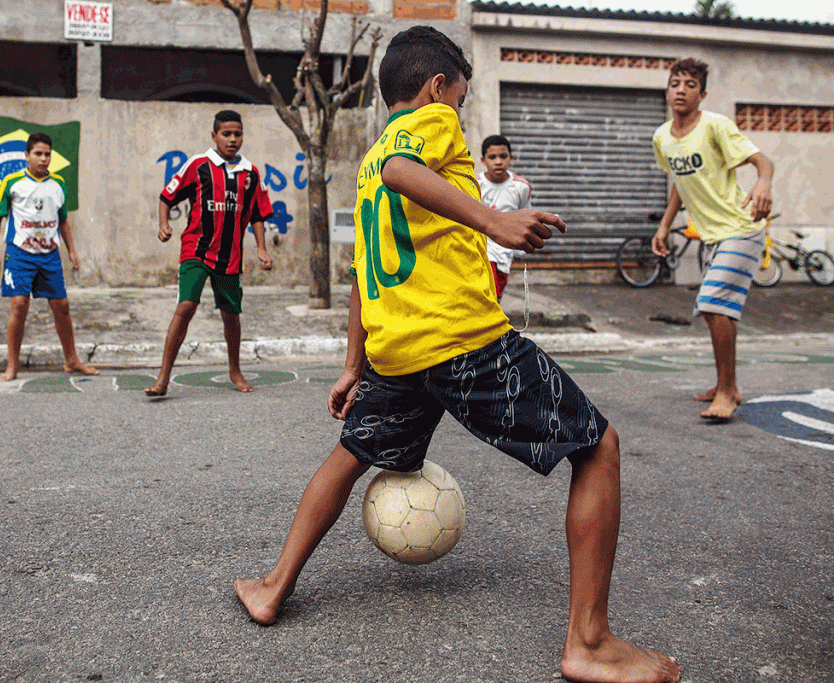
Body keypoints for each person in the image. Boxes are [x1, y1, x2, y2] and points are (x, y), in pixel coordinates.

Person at [235, 26, 681, 683]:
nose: (461, 114)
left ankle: (273, 585)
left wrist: (354, 362)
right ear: (438, 86)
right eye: (461, 98)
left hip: (397, 351)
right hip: (461, 340)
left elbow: (364, 266)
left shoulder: (367, 163)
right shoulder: (426, 126)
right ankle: (589, 640)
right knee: (598, 447)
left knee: (351, 454)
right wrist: (492, 218)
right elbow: (402, 170)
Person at [651, 58, 773, 422]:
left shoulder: (716, 125)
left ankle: (726, 392)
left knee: (712, 305)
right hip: (711, 236)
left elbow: (762, 161)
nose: (681, 90)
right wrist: (664, 226)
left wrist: (763, 183)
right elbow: (679, 183)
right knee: (721, 312)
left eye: (690, 85)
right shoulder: (662, 137)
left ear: (701, 94)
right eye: (675, 83)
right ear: (667, 89)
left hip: (742, 227)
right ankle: (727, 384)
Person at [145, 110, 273, 397]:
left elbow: (257, 214)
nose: (232, 139)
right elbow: (167, 196)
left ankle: (234, 370)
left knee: (230, 314)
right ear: (214, 136)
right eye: (226, 134)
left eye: (237, 134)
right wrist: (164, 224)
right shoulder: (199, 165)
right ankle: (163, 378)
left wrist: (262, 248)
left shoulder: (250, 173)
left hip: (230, 257)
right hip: (196, 249)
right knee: (186, 307)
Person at [0, 132, 98, 382]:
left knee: (62, 307)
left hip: (49, 255)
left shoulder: (58, 184)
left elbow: (63, 220)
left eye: (47, 154)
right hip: (19, 254)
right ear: (27, 155)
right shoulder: (12, 182)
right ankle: (13, 364)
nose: (43, 159)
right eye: (38, 153)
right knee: (19, 305)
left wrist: (72, 251)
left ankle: (72, 360)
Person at [478, 134, 532, 300]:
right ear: (483, 160)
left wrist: (521, 244)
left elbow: (525, 215)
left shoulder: (521, 187)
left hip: (505, 252)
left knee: (496, 297)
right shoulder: (475, 183)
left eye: (503, 156)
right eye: (492, 157)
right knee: (486, 294)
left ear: (511, 158)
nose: (498, 161)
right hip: (482, 250)